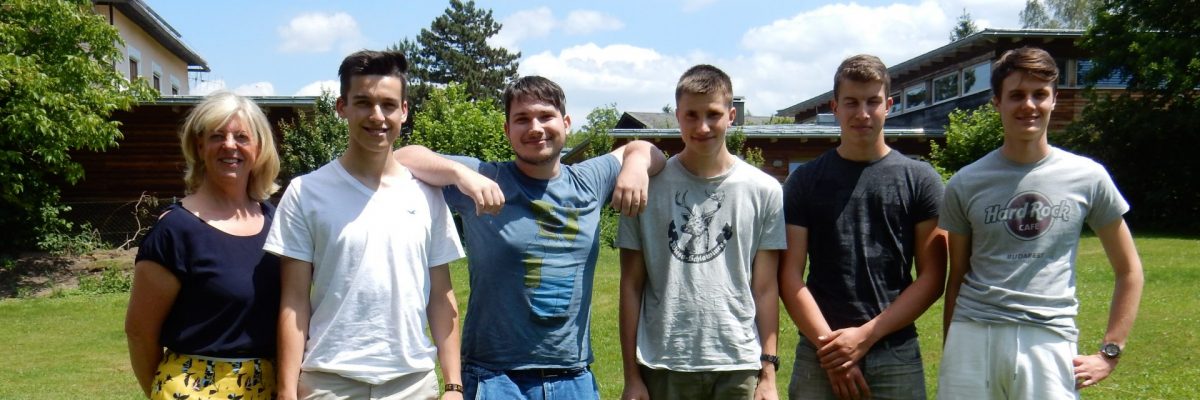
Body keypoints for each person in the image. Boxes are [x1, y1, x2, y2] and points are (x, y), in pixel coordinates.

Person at [392, 75, 666, 399]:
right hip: (495, 377)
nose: (535, 128)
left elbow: (649, 150)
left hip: (573, 376)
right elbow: (401, 157)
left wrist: (635, 166)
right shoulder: (487, 177)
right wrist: (460, 173)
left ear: (566, 123)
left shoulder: (589, 180)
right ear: (507, 130)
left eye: (545, 116)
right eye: (522, 119)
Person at [937, 46, 1144, 399]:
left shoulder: (1087, 176)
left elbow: (1129, 270)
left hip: (1048, 338)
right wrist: (952, 351)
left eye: (1039, 94)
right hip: (973, 333)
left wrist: (1110, 352)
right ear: (997, 102)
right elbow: (957, 276)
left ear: (1054, 99)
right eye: (1016, 95)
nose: (1029, 105)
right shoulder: (965, 182)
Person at [266, 50, 465, 400]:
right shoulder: (306, 192)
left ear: (404, 110)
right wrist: (286, 391)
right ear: (342, 107)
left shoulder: (427, 195)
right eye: (363, 103)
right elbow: (294, 301)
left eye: (388, 105)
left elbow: (441, 295)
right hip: (329, 383)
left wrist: (453, 385)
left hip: (412, 384)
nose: (377, 116)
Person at [778, 54, 946, 400]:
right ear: (835, 107)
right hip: (820, 349)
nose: (863, 113)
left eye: (873, 102)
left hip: (895, 350)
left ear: (889, 105)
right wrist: (832, 349)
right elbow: (790, 275)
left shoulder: (920, 180)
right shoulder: (805, 181)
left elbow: (932, 277)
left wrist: (865, 336)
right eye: (851, 102)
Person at [617, 64, 785, 400]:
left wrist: (768, 375)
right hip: (664, 364)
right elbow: (631, 286)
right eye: (691, 115)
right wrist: (632, 377)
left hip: (738, 363)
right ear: (677, 117)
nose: (703, 126)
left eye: (713, 114)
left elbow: (766, 288)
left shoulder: (764, 190)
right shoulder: (646, 187)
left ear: (732, 116)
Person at [126, 91, 283, 399]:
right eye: (217, 136)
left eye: (241, 137)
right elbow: (140, 332)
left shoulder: (276, 222)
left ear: (259, 147)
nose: (229, 145)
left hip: (267, 388)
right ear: (200, 146)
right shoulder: (176, 230)